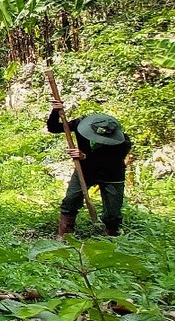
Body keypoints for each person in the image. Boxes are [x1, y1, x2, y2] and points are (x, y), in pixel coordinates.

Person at [48, 100, 131, 238]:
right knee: (71, 200)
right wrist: (55, 111)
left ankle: (112, 236)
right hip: (85, 170)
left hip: (112, 173)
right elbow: (54, 128)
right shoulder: (81, 124)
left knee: (113, 211)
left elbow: (111, 161)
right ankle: (64, 235)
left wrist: (85, 156)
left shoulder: (123, 143)